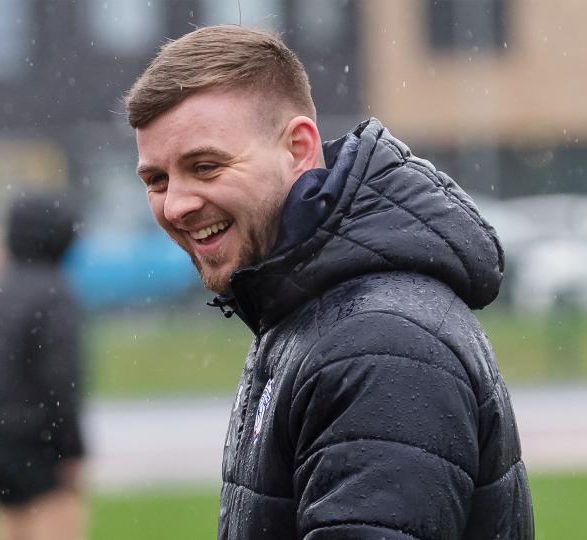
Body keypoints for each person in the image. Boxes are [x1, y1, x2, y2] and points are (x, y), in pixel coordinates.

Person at [125, 25, 533, 539]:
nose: (176, 204)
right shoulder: (311, 309)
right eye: (156, 180)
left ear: (298, 149)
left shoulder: (378, 344)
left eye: (205, 167)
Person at [0, 192, 86, 540]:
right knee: (58, 523)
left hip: (2, 438)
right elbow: (61, 381)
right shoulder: (54, 294)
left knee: (11, 527)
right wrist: (71, 448)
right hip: (44, 441)